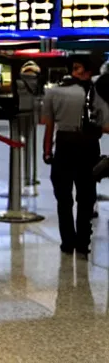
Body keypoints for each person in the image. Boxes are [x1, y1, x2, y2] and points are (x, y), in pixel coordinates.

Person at [42, 54, 108, 259]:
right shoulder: (98, 94)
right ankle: (82, 243)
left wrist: (46, 151)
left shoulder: (54, 92)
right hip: (88, 147)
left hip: (64, 146)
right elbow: (105, 126)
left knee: (64, 197)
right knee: (86, 197)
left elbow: (49, 125)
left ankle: (67, 242)